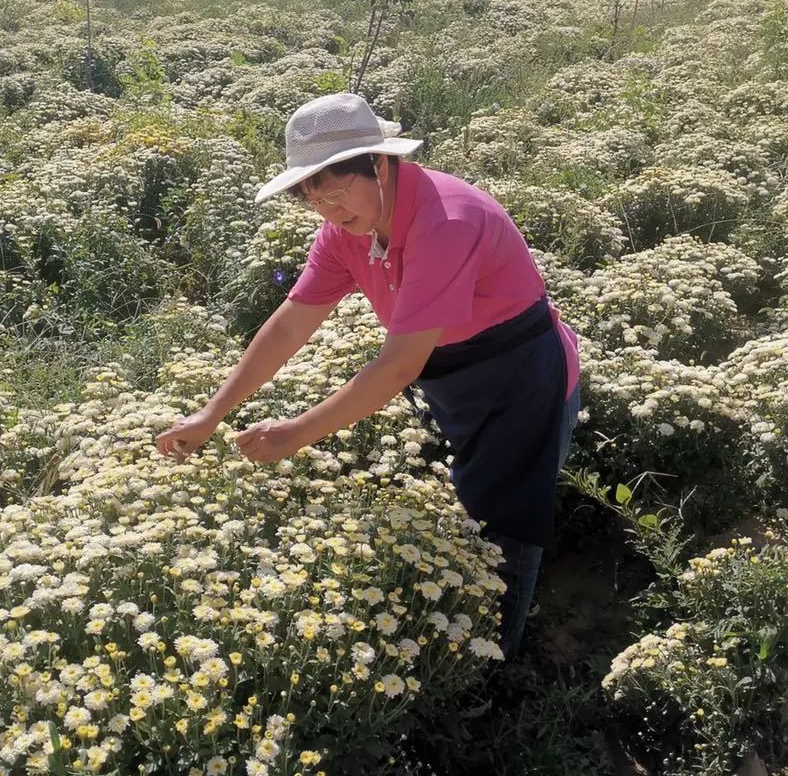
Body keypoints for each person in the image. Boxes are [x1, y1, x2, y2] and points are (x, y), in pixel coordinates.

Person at [156, 92, 581, 655]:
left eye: (337, 191)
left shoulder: (447, 220)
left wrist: (298, 433)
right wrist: (212, 414)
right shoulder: (347, 230)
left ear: (380, 164)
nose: (330, 212)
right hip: (451, 373)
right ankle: (481, 634)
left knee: (507, 521)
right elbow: (290, 325)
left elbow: (400, 363)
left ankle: (499, 667)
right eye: (314, 199)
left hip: (520, 373)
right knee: (476, 505)